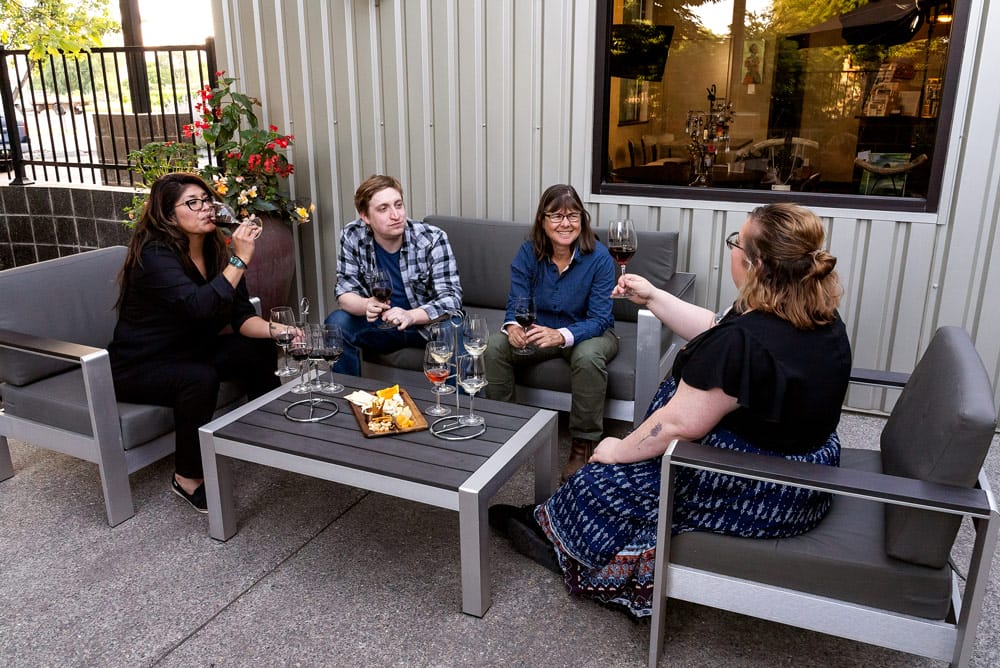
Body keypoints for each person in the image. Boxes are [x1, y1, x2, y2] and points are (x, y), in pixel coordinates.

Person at [489, 203, 852, 617]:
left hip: (764, 483)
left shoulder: (747, 342)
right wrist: (655, 297)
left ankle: (564, 547)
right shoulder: (808, 314)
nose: (731, 248)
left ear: (757, 264)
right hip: (807, 467)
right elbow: (718, 326)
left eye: (736, 242)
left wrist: (618, 448)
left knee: (605, 478)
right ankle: (553, 517)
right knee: (619, 466)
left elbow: (679, 423)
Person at [109, 172, 279, 513]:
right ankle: (186, 477)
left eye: (207, 200)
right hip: (140, 365)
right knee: (198, 378)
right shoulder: (155, 256)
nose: (205, 208)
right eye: (193, 203)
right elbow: (199, 309)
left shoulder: (217, 250)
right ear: (169, 215)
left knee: (257, 347)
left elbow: (242, 317)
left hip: (190, 351)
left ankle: (265, 431)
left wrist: (282, 332)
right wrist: (240, 259)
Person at [484, 184, 619, 481]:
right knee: (494, 346)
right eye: (556, 216)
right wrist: (514, 326)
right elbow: (516, 300)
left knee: (588, 357)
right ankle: (506, 430)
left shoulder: (599, 257)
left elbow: (600, 318)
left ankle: (582, 446)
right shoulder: (528, 252)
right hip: (539, 330)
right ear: (542, 221)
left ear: (582, 220)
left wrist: (562, 335)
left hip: (588, 332)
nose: (565, 223)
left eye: (573, 216)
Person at [324, 175, 463, 375]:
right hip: (381, 325)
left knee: (455, 328)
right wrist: (366, 305)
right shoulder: (352, 235)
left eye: (398, 205)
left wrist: (410, 316)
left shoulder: (432, 238)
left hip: (425, 325)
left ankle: (454, 404)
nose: (396, 215)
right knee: (336, 323)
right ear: (365, 216)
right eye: (383, 209)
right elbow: (344, 292)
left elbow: (451, 298)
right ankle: (352, 398)